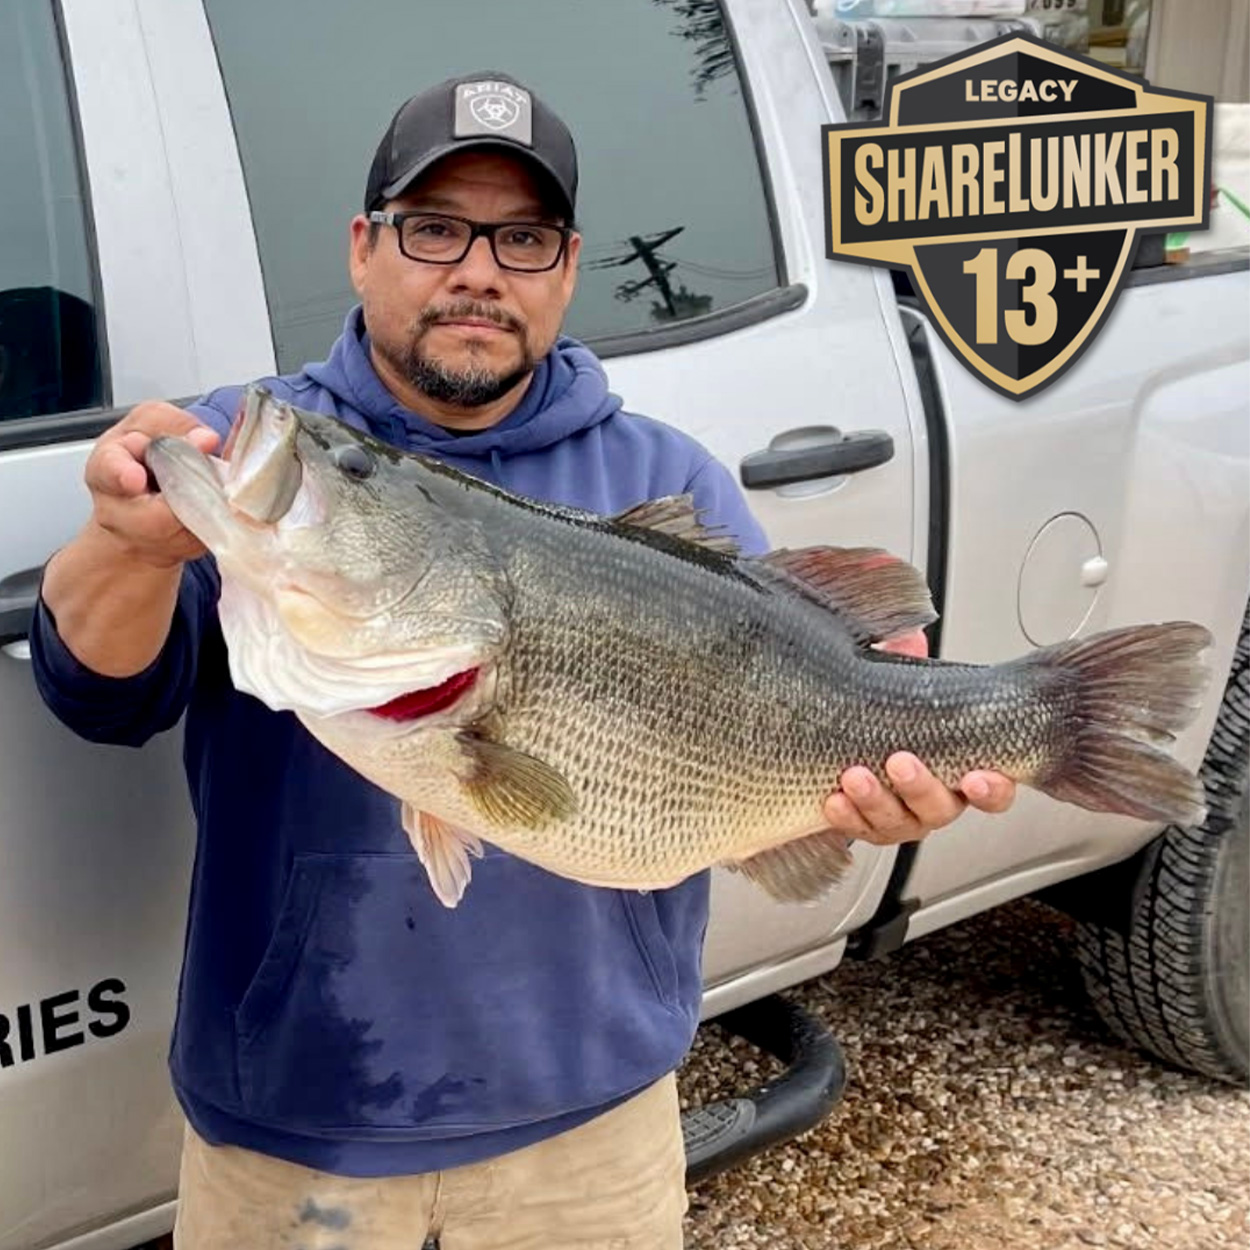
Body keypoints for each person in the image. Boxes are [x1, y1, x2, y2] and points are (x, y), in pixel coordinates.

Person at [30, 72, 1015, 1250]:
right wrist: (127, 548)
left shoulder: (666, 479)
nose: (478, 270)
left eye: (522, 238)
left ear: (566, 266)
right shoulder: (258, 443)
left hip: (592, 1125)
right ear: (362, 248)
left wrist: (876, 767)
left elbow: (796, 711)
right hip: (294, 1124)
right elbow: (97, 692)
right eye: (434, 229)